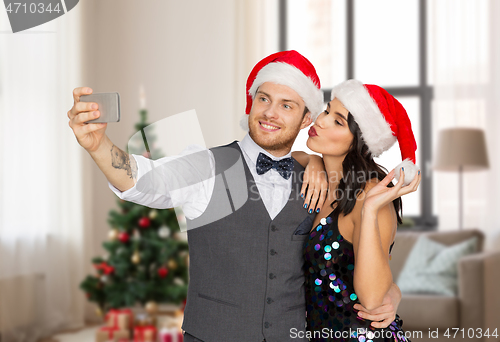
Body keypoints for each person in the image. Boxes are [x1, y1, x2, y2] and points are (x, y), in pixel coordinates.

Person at [67, 51, 403, 342]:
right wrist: (99, 147)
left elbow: (349, 262)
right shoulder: (209, 165)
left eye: (286, 105)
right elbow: (145, 179)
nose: (270, 113)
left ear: (305, 120)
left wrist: (392, 293)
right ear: (251, 103)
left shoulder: (317, 182)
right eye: (263, 99)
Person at [294, 79, 420, 341]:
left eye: (338, 122)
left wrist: (371, 210)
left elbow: (373, 299)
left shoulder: (371, 195)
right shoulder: (321, 178)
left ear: (358, 143)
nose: (322, 120)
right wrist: (314, 160)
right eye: (328, 110)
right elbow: (290, 158)